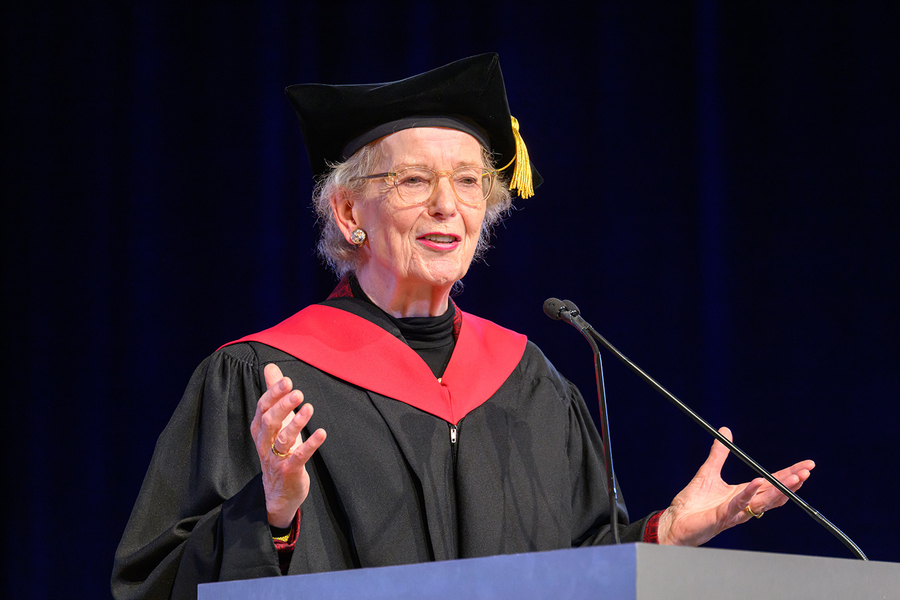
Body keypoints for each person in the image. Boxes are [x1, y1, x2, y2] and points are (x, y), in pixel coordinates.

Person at [111, 53, 814, 599]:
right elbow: (155, 583)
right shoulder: (262, 380)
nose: (449, 205)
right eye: (414, 181)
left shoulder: (529, 382)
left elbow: (577, 569)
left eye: (471, 180)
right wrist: (269, 515)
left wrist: (664, 535)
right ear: (352, 215)